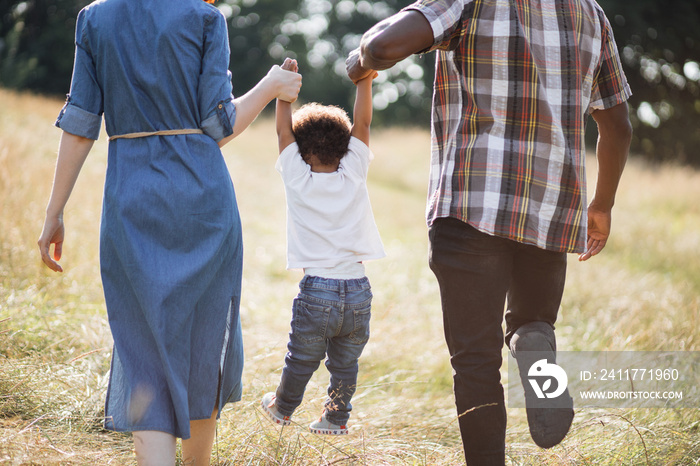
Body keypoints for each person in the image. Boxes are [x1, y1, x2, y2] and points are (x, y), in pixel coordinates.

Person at [347, 0, 632, 463]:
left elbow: (382, 45)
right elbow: (617, 126)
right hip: (549, 206)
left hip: (471, 205)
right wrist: (602, 205)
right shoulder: (591, 13)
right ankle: (535, 349)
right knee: (532, 323)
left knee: (476, 362)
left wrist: (360, 60)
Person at [36, 0, 301, 463]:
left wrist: (54, 211)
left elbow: (81, 124)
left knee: (144, 348)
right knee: (204, 338)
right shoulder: (204, 18)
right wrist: (272, 85)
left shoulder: (95, 18)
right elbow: (218, 124)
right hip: (203, 200)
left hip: (131, 199)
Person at [260, 60, 385, 435]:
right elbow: (363, 124)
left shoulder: (298, 178)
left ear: (300, 149)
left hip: (318, 289)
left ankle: (282, 409)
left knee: (301, 358)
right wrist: (364, 79)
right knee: (345, 363)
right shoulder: (354, 172)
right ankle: (335, 418)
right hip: (359, 289)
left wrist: (284, 91)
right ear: (345, 145)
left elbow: (282, 129)